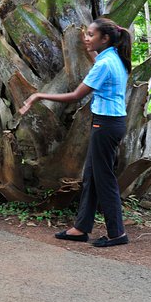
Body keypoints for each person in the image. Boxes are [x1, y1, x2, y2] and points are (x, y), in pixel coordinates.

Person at [19, 18, 131, 248]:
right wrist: (87, 46)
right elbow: (97, 60)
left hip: (106, 124)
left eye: (91, 35)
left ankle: (117, 233)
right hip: (111, 122)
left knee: (103, 178)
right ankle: (81, 228)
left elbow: (75, 96)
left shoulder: (104, 64)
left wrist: (38, 96)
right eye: (86, 35)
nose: (87, 38)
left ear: (105, 38)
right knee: (91, 175)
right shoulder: (112, 58)